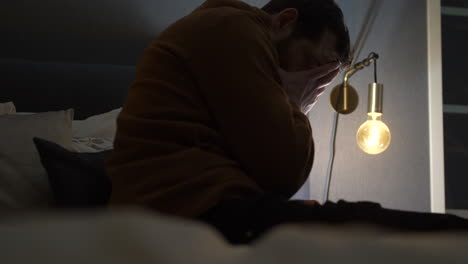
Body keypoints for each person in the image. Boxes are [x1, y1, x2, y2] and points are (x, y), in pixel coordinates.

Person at [106, 0, 468, 245]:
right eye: (310, 64)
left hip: (198, 205)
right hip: (188, 211)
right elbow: (285, 170)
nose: (312, 85)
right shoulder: (233, 28)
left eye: (321, 79)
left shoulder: (224, 36)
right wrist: (296, 98)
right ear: (284, 22)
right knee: (403, 230)